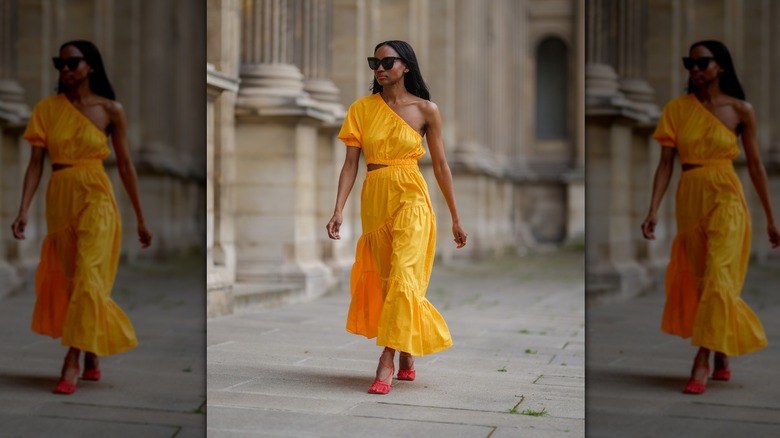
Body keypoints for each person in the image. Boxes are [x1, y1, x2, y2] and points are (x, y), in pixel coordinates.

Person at [11, 40, 152, 395]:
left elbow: (126, 166)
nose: (65, 69)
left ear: (91, 66)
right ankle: (91, 351)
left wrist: (140, 217)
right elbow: (35, 165)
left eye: (72, 62)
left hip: (97, 196)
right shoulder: (46, 109)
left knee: (89, 275)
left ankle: (71, 360)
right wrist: (23, 208)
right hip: (60, 196)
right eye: (59, 63)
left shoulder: (111, 110)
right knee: (74, 280)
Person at [326, 40, 467, 395]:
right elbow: (350, 165)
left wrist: (455, 217)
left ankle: (386, 359)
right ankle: (406, 350)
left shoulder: (426, 110)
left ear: (406, 66)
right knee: (389, 281)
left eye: (388, 62)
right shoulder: (361, 109)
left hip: (412, 196)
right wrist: (338, 209)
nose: (380, 68)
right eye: (374, 62)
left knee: (404, 275)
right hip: (375, 198)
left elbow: (441, 166)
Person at [641, 40, 780, 395]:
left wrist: (770, 217)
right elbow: (665, 165)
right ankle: (722, 352)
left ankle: (701, 360)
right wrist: (653, 208)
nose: (695, 69)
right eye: (689, 63)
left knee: (719, 275)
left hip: (727, 195)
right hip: (690, 196)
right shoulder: (676, 109)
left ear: (721, 66)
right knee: (705, 281)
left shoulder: (741, 110)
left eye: (702, 62)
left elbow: (755, 166)